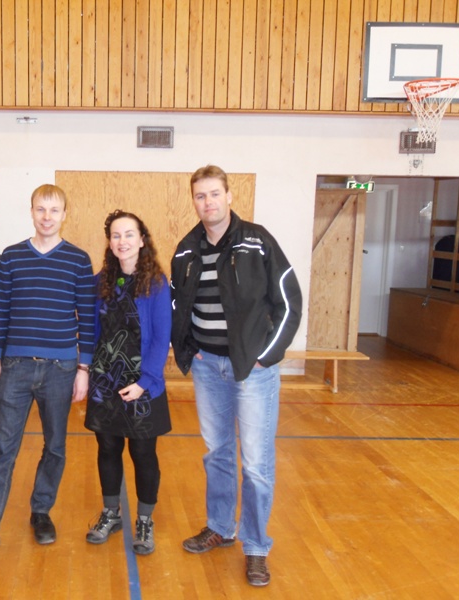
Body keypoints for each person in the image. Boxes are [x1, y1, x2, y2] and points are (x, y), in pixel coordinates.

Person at [170, 165, 302, 587]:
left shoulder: (258, 242)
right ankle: (221, 527)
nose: (207, 202)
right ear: (194, 201)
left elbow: (289, 302)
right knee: (218, 453)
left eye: (214, 194)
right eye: (200, 196)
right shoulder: (185, 251)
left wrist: (267, 356)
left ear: (229, 196)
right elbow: (176, 306)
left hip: (253, 370)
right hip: (208, 368)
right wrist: (186, 348)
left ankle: (256, 546)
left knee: (257, 463)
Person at [0, 184, 96, 567]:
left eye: (54, 210)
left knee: (55, 447)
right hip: (14, 368)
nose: (47, 217)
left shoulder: (79, 260)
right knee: (3, 451)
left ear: (65, 214)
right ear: (31, 212)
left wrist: (84, 368)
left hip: (61, 370)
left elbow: (88, 319)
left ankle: (41, 511)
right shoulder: (12, 257)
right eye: (40, 209)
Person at [84, 210, 172, 556]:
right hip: (105, 383)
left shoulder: (157, 283)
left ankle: (145, 520)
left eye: (129, 234)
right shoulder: (100, 282)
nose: (122, 241)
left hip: (142, 385)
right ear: (109, 243)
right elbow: (93, 331)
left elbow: (161, 337)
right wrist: (88, 372)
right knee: (107, 449)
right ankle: (111, 513)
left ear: (142, 239)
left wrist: (145, 382)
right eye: (116, 236)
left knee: (143, 453)